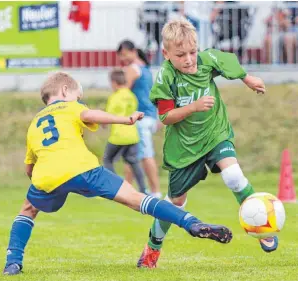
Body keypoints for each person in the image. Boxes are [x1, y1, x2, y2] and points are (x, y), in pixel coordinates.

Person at [3, 72, 233, 276]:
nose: (79, 101)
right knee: (137, 200)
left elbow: (29, 168)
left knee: (28, 209)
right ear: (64, 91)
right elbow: (91, 115)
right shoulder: (70, 106)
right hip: (84, 169)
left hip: (47, 176)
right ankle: (191, 223)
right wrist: (125, 119)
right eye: (77, 96)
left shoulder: (34, 123)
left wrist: (44, 184)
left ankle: (12, 263)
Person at [137, 18, 278, 269]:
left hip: (215, 133)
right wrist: (192, 107)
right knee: (175, 203)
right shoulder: (165, 77)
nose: (189, 59)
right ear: (166, 54)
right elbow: (165, 117)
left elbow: (228, 63)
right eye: (181, 55)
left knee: (233, 175)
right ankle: (153, 248)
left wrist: (248, 79)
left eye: (192, 52)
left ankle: (262, 227)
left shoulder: (206, 59)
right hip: (184, 148)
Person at [117, 40, 162, 199]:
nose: (122, 58)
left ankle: (155, 192)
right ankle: (126, 190)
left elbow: (122, 92)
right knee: (133, 155)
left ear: (132, 51)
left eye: (123, 54)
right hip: (149, 116)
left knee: (145, 155)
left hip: (140, 118)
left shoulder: (133, 68)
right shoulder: (145, 68)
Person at [102, 68, 148, 194]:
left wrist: (103, 124)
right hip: (132, 135)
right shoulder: (131, 95)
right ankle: (143, 189)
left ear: (114, 82)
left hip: (119, 135)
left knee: (107, 160)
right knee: (133, 162)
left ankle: (116, 187)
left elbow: (108, 116)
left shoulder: (115, 97)